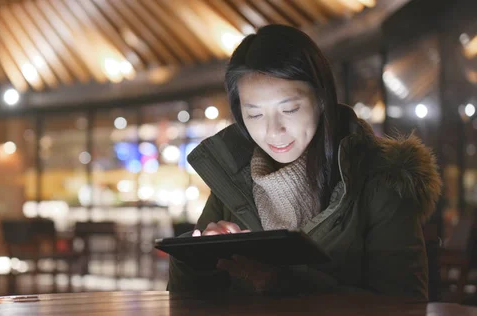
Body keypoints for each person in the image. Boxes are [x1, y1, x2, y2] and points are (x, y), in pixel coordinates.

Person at [167, 24, 442, 299]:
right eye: (254, 115)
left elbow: (407, 304)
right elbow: (183, 296)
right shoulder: (232, 180)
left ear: (322, 98)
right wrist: (200, 259)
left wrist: (287, 284)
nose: (273, 130)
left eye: (289, 109)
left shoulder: (381, 178)